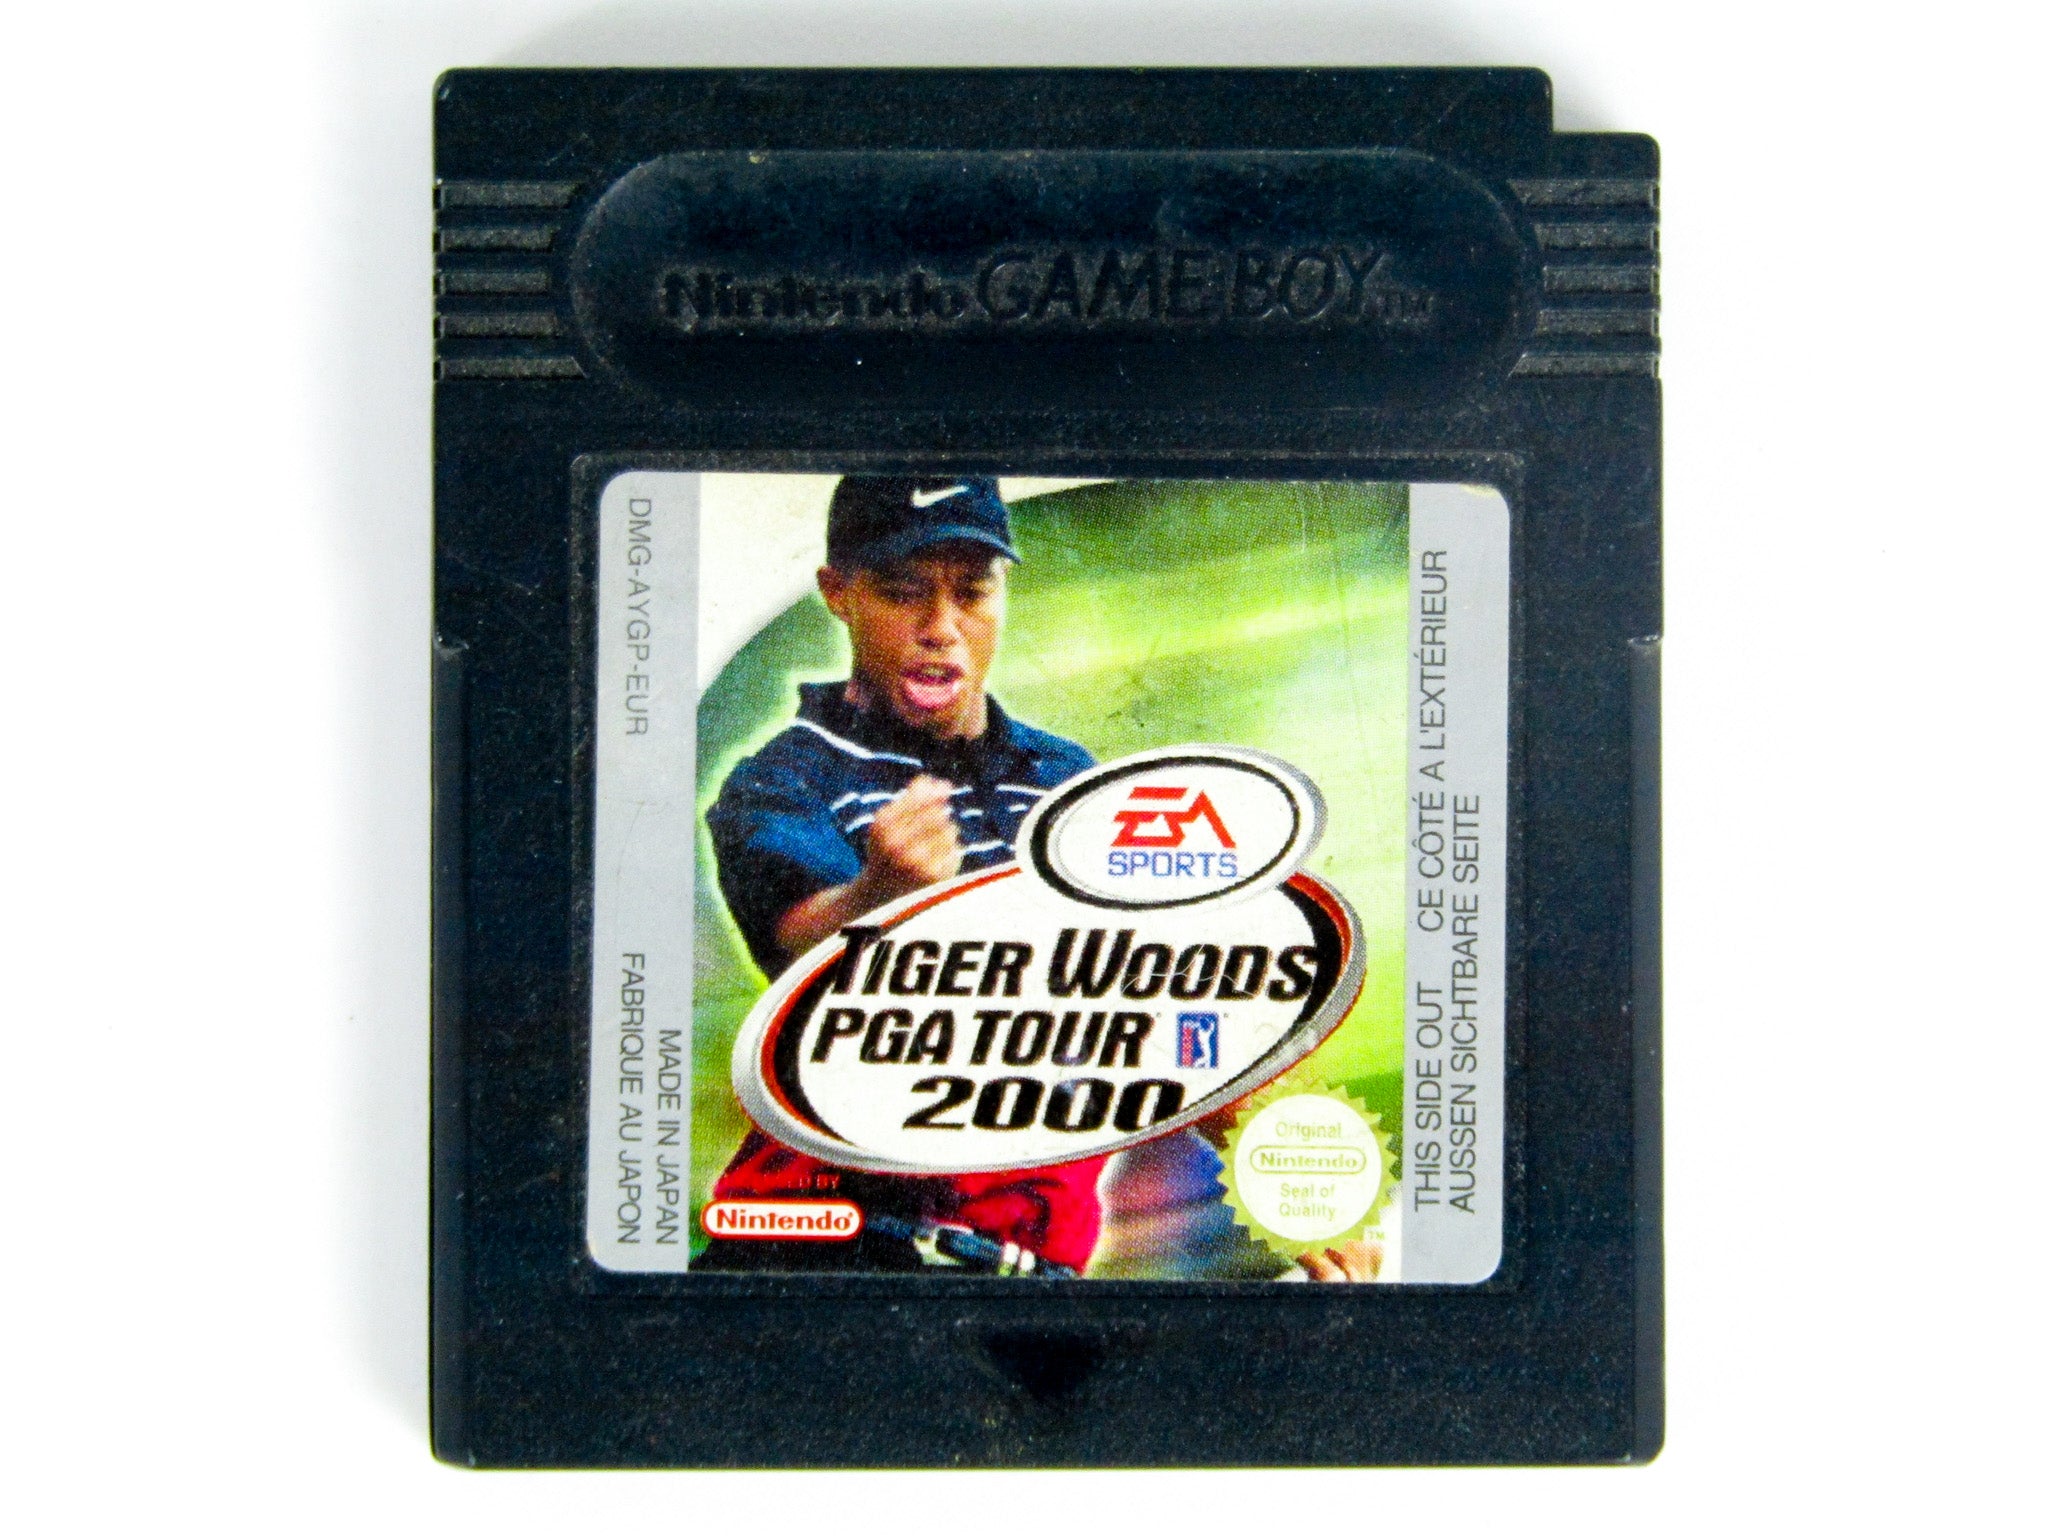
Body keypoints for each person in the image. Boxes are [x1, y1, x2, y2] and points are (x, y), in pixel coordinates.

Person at [698, 475, 1378, 1281]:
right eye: (903, 592)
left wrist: (1293, 1179)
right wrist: (876, 897)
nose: (940, 628)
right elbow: (796, 948)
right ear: (838, 593)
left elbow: (1167, 992)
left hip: (1029, 1277)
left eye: (972, 592)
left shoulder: (1067, 778)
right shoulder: (781, 781)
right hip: (821, 1254)